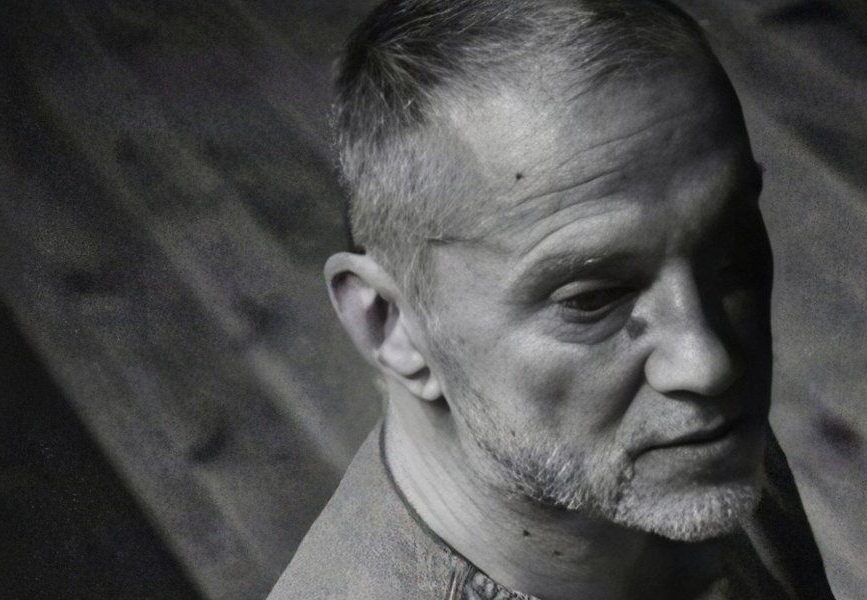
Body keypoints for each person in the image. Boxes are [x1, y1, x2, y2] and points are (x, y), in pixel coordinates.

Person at [270, 0, 835, 598]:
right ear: (391, 324)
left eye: (734, 253)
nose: (709, 363)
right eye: (593, 300)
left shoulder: (678, 441)